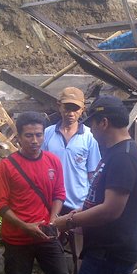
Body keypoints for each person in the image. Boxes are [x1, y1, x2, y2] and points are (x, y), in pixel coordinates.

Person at [53, 95, 137, 274]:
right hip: (102, 253)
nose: (91, 131)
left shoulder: (123, 156)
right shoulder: (115, 153)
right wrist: (81, 212)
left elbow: (110, 210)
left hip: (110, 256)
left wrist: (69, 221)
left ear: (104, 123)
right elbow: (101, 201)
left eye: (92, 125)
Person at [0, 112, 72, 274]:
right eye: (29, 135)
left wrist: (52, 221)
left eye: (39, 135)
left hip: (47, 236)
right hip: (18, 239)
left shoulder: (53, 161)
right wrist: (25, 226)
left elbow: (59, 193)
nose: (35, 141)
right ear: (18, 137)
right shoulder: (7, 166)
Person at [42, 87, 101, 216]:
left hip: (78, 205)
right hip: (51, 202)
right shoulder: (47, 134)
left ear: (82, 110)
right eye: (67, 108)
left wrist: (91, 204)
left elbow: (93, 175)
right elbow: (40, 168)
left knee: (77, 236)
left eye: (75, 109)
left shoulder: (89, 137)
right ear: (59, 106)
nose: (71, 113)